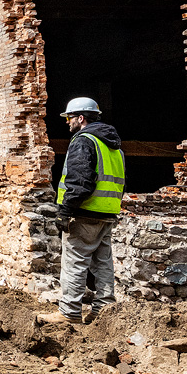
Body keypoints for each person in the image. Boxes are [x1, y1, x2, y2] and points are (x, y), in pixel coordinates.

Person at [39, 97, 125, 325]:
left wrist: (65, 211)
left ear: (81, 118)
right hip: (107, 213)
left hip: (84, 212)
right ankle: (104, 308)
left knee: (75, 262)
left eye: (69, 118)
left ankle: (69, 312)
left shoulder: (84, 141)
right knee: (103, 263)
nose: (67, 123)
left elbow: (80, 181)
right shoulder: (113, 146)